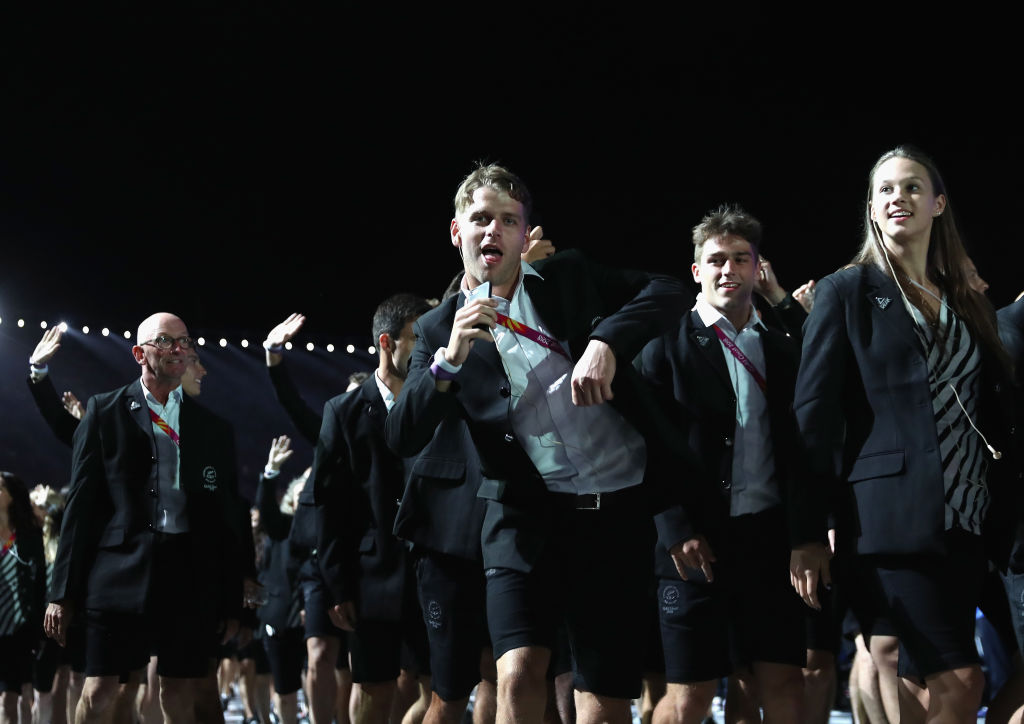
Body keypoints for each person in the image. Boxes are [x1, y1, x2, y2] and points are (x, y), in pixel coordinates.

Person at [386, 163, 690, 724]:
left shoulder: (569, 276)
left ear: (525, 234)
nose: (493, 230)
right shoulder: (435, 330)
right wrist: (449, 359)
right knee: (518, 672)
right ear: (457, 231)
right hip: (521, 516)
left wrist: (606, 341)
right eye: (481, 218)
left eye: (508, 220)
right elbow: (402, 433)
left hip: (610, 512)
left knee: (600, 700)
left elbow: (669, 290)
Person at [791, 146, 1019, 723]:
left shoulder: (964, 300)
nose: (900, 198)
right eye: (886, 189)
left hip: (967, 519)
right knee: (962, 680)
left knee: (919, 685)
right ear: (871, 207)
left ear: (938, 203)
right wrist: (808, 531)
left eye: (913, 187)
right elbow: (813, 417)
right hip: (890, 521)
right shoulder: (847, 290)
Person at [638, 205, 809, 723]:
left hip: (768, 541)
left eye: (740, 259)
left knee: (782, 683)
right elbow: (645, 445)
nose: (728, 269)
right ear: (697, 270)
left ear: (758, 269)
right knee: (689, 695)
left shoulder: (781, 346)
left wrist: (805, 533)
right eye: (716, 260)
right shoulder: (664, 341)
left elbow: (805, 447)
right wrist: (676, 528)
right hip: (694, 544)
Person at [43, 312, 245, 724]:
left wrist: (231, 598)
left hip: (188, 575)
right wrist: (62, 592)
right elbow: (80, 505)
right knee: (99, 691)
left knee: (178, 691)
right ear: (139, 353)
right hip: (119, 573)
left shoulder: (211, 427)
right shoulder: (105, 411)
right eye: (165, 341)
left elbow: (225, 518)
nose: (178, 349)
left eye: (184, 341)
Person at [312, 293, 433, 724]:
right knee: (373, 688)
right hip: (370, 578)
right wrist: (337, 586)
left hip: (433, 568)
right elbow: (328, 504)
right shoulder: (342, 411)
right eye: (417, 339)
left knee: (442, 690)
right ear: (386, 341)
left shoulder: (438, 402)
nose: (427, 349)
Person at [0, 471, 46, 724]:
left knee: (24, 695)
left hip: (22, 627)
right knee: (7, 697)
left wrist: (39, 628)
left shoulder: (28, 536)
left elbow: (39, 584)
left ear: (11, 497)